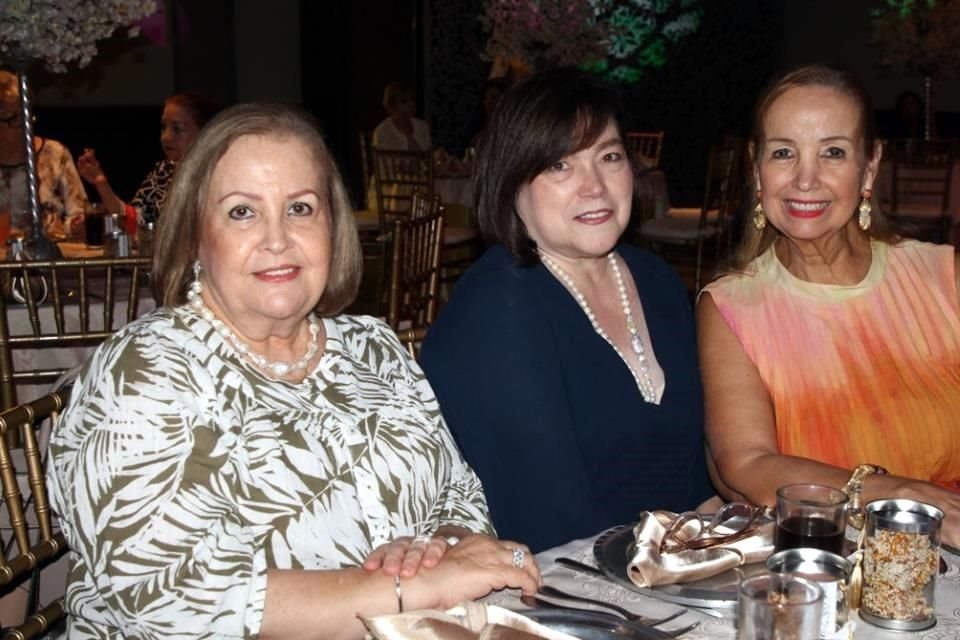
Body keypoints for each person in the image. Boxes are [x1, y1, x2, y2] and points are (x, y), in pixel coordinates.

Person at [46, 103, 540, 639]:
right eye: (242, 212)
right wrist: (414, 590)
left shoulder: (374, 347)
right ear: (193, 236)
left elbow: (457, 493)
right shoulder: (146, 371)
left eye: (301, 208)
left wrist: (436, 545)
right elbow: (166, 598)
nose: (277, 238)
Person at [420, 68, 714, 553]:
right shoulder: (494, 312)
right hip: (568, 588)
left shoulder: (657, 281)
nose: (594, 186)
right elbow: (550, 524)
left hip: (677, 570)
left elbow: (694, 479)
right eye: (560, 165)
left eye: (610, 157)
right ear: (511, 183)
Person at [698, 65, 960, 545]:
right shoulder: (732, 306)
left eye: (833, 152)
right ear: (756, 168)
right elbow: (747, 463)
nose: (805, 179)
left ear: (871, 165)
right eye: (783, 153)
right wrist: (892, 495)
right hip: (826, 559)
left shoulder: (945, 276)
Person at [77, 92, 219, 225]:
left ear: (205, 132)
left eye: (177, 128)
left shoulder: (219, 176)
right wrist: (101, 183)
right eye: (164, 127)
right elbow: (132, 221)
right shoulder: (163, 171)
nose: (166, 137)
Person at [0, 70, 87, 238]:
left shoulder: (55, 154)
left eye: (28, 116)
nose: (26, 126)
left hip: (49, 259)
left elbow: (78, 213)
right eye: (15, 118)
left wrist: (76, 225)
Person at [372, 81, 432, 152]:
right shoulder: (382, 132)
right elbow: (382, 161)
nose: (411, 105)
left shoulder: (423, 126)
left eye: (412, 99)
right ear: (391, 106)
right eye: (404, 101)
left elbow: (429, 156)